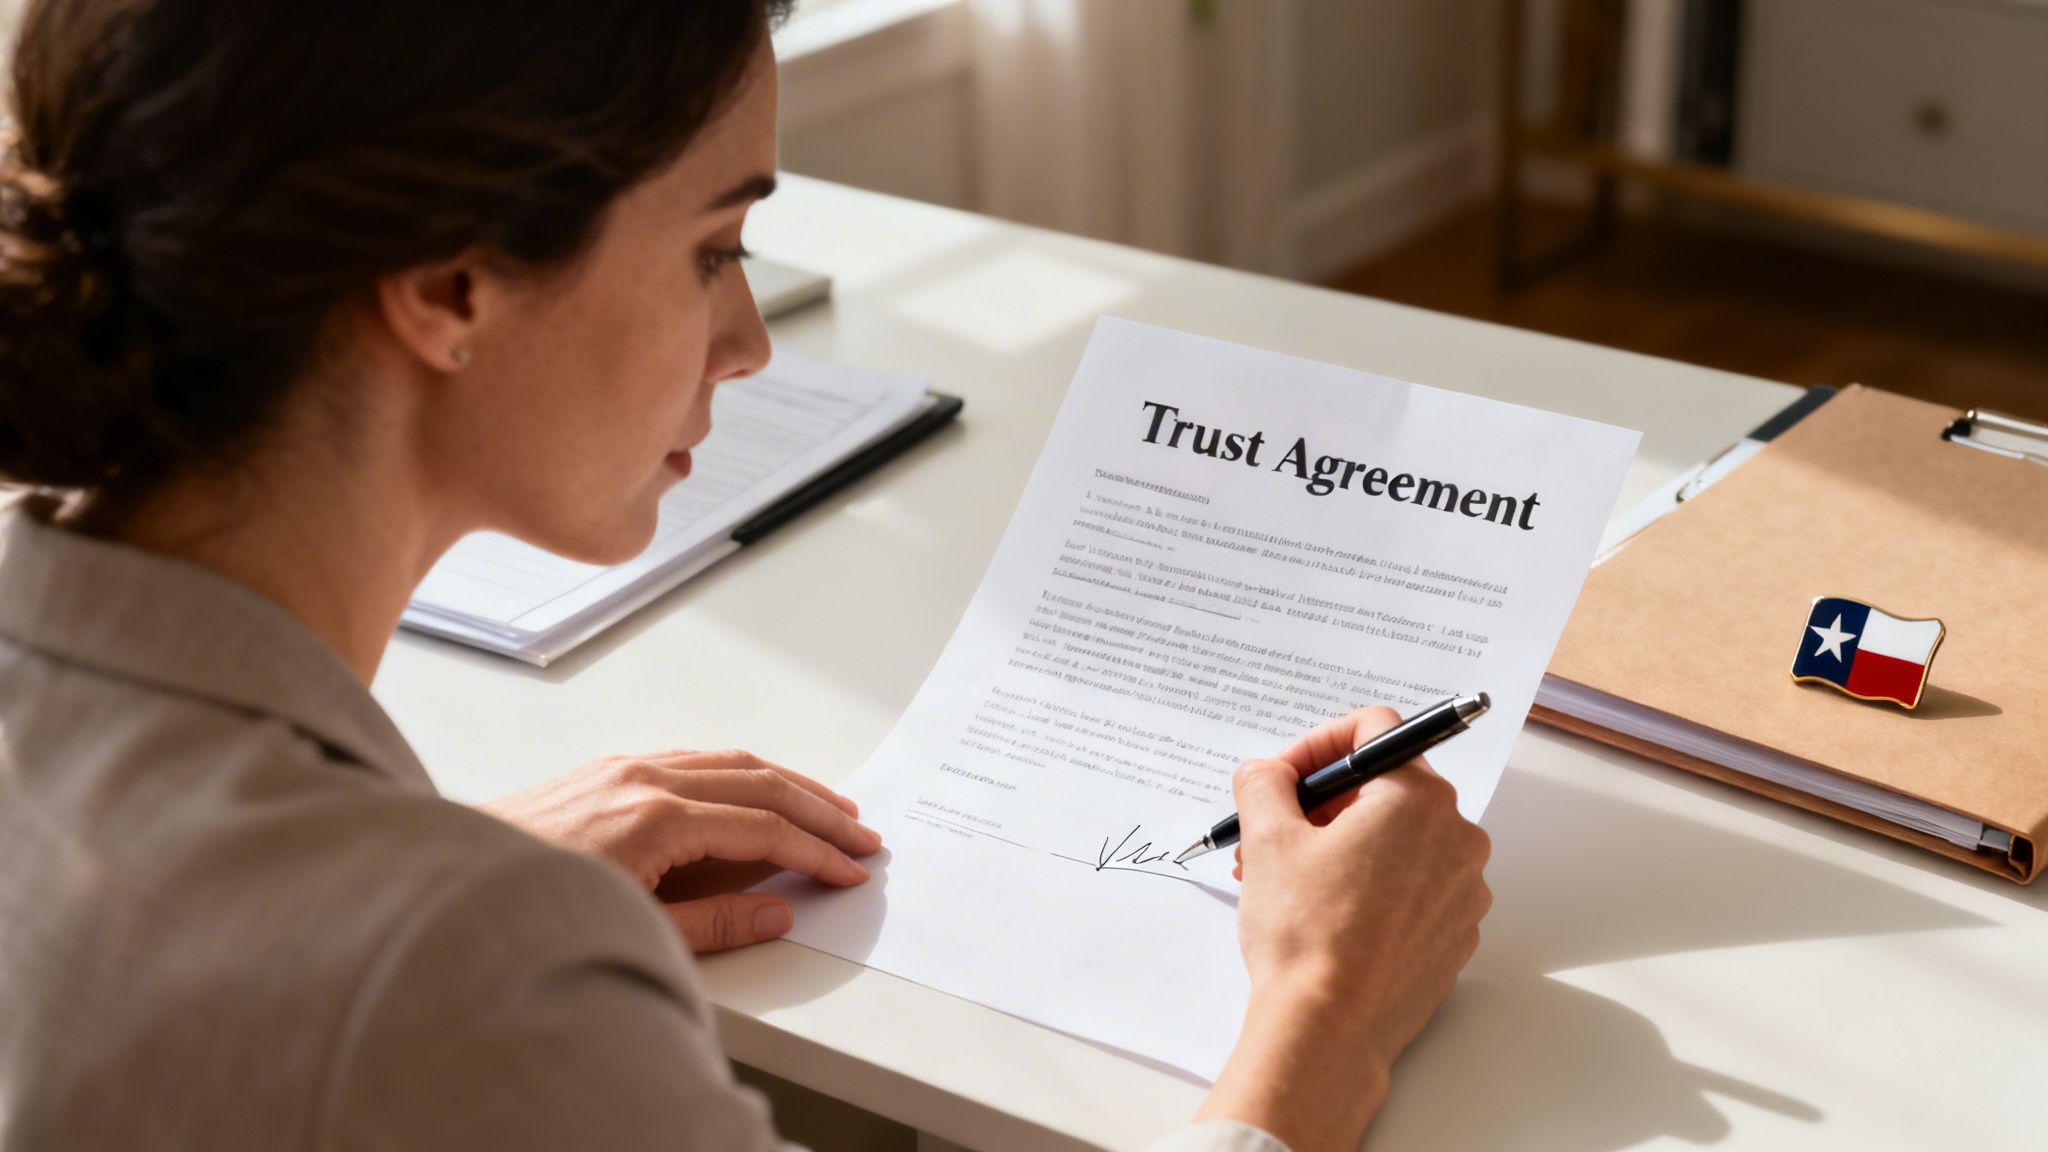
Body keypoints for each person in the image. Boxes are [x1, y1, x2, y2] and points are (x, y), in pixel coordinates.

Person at [0, 2, 1492, 1149]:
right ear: (451, 286)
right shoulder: (456, 977)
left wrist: (437, 867)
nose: (750, 339)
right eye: (716, 246)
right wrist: (1322, 1015)